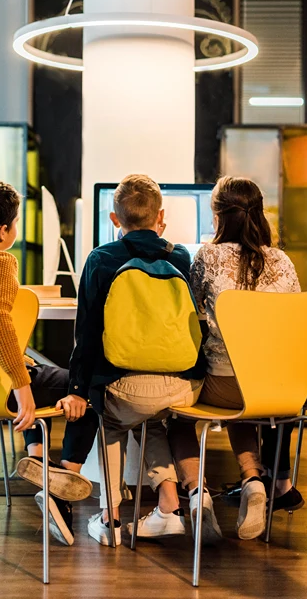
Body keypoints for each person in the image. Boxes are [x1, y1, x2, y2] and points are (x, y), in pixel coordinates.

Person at [0, 179, 98, 546]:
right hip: (1, 386)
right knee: (88, 386)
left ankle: (39, 462)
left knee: (33, 371)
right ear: (2, 232)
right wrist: (21, 386)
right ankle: (61, 484)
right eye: (16, 222)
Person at [67, 174, 208, 546]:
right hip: (181, 387)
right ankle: (169, 508)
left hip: (126, 388)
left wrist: (80, 389)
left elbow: (86, 337)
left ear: (115, 220)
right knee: (155, 422)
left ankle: (110, 518)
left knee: (111, 419)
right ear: (160, 216)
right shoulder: (179, 256)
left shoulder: (101, 259)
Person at [168, 176, 302, 542]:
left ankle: (198, 495)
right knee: (245, 395)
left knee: (175, 414)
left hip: (226, 387)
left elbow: (192, 317)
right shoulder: (283, 260)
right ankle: (253, 480)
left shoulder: (208, 256)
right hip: (277, 389)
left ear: (218, 217)